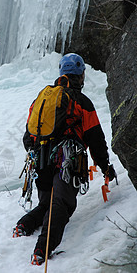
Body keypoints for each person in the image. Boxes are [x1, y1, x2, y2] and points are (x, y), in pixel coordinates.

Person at [13, 53, 116, 265]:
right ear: (81, 75)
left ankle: (23, 225)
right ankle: (42, 250)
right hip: (68, 162)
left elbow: (28, 136)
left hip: (41, 159)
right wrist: (105, 168)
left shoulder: (42, 99)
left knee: (47, 203)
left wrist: (41, 151)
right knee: (61, 204)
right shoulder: (82, 102)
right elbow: (95, 139)